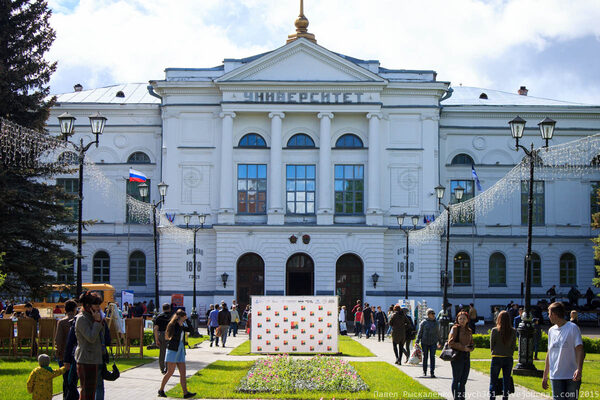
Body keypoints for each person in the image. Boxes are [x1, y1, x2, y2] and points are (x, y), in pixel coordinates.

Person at [542, 302, 584, 400]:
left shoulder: (573, 328)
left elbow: (580, 349)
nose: (548, 317)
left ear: (554, 314)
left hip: (572, 376)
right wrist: (545, 375)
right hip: (555, 376)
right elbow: (549, 353)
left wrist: (579, 369)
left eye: (549, 314)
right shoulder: (551, 331)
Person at [158, 309, 195, 398]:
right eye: (184, 317)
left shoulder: (182, 325)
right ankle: (161, 390)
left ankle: (185, 393)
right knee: (170, 372)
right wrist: (180, 323)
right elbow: (171, 336)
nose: (185, 318)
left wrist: (187, 321)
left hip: (180, 350)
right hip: (173, 350)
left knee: (183, 373)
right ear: (180, 317)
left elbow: (191, 330)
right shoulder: (173, 325)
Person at [74, 291, 104, 400]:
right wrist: (97, 322)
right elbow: (90, 337)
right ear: (88, 305)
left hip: (94, 358)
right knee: (86, 390)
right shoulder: (82, 319)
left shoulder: (92, 317)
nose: (98, 307)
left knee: (92, 390)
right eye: (96, 304)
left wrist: (100, 321)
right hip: (85, 359)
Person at [489, 310, 516, 400]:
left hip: (496, 357)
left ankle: (492, 397)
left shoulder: (495, 330)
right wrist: (509, 353)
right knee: (506, 380)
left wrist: (494, 351)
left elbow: (492, 345)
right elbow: (513, 345)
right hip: (508, 358)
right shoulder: (513, 331)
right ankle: (505, 397)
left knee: (493, 381)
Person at [449, 311, 474, 400]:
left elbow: (471, 343)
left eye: (464, 318)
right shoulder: (455, 328)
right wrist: (463, 348)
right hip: (457, 356)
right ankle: (456, 398)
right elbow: (451, 342)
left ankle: (462, 397)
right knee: (456, 379)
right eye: (460, 318)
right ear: (457, 319)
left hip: (466, 357)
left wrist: (470, 348)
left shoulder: (469, 330)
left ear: (467, 320)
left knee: (463, 380)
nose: (462, 320)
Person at [54, 300, 77, 400]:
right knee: (73, 380)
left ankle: (65, 397)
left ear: (65, 309)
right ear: (75, 309)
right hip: (76, 354)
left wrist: (57, 352)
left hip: (63, 354)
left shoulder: (62, 322)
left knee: (65, 378)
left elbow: (58, 339)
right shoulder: (78, 321)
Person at [417, 308, 439, 378]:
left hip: (433, 342)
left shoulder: (436, 323)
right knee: (425, 357)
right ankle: (424, 371)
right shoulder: (424, 322)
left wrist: (440, 341)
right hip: (425, 341)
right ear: (428, 315)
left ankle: (432, 372)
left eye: (434, 314)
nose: (433, 315)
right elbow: (420, 332)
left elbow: (438, 333)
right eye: (432, 313)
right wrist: (417, 340)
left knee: (432, 357)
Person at [153, 303, 173, 374]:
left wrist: (156, 339)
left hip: (161, 334)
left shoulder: (159, 317)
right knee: (169, 352)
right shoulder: (172, 316)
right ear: (169, 308)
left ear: (162, 308)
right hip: (170, 334)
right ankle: (168, 368)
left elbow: (155, 329)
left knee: (162, 352)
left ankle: (162, 368)